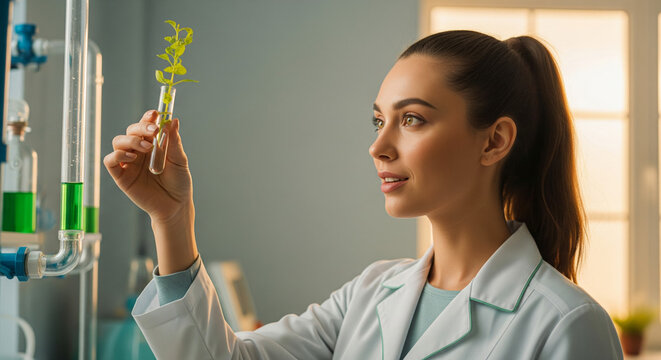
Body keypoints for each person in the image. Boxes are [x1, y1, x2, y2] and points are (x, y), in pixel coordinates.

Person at [104, 30, 624, 359]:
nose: (378, 145)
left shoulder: (567, 325)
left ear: (494, 140)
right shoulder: (372, 292)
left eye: (412, 119)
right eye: (379, 120)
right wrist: (172, 218)